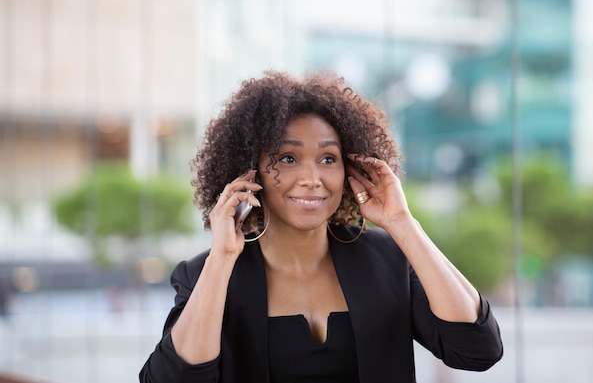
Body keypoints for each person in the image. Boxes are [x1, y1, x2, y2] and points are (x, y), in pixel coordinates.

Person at [139, 70, 503, 383]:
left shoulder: (388, 259)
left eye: (328, 158)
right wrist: (221, 258)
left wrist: (402, 224)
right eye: (288, 158)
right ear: (250, 172)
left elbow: (477, 349)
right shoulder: (205, 273)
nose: (312, 179)